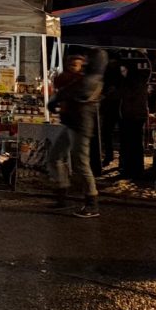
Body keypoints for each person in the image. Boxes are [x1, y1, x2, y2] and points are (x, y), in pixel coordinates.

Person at [50, 50, 104, 218]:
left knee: (81, 163)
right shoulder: (83, 78)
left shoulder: (91, 80)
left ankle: (92, 203)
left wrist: (57, 98)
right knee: (55, 157)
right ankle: (62, 193)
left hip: (80, 126)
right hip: (71, 123)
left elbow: (74, 91)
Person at [117, 55, 151, 181]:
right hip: (135, 115)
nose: (122, 73)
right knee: (135, 143)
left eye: (124, 70)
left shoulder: (131, 83)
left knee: (132, 144)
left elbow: (127, 97)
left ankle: (132, 170)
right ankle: (135, 169)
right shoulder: (139, 82)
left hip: (132, 116)